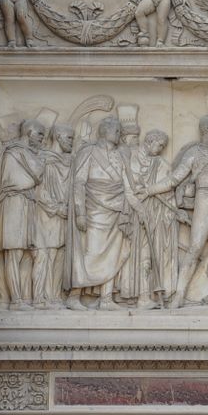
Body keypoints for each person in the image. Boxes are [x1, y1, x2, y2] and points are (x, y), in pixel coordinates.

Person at [139, 114, 208, 309]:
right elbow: (174, 180)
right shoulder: (194, 153)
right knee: (195, 248)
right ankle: (180, 295)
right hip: (204, 200)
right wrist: (149, 190)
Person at [68, 116, 130, 311]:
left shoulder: (121, 155)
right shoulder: (89, 151)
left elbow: (128, 182)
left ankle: (106, 298)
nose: (119, 134)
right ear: (105, 131)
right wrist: (80, 212)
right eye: (117, 130)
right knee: (91, 252)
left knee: (115, 252)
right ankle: (74, 295)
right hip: (94, 207)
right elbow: (79, 182)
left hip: (117, 207)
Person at [121, 129, 182, 308]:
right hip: (136, 214)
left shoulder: (161, 164)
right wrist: (140, 209)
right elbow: (128, 188)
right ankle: (141, 296)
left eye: (164, 146)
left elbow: (169, 186)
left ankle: (146, 296)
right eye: (160, 145)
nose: (161, 149)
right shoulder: (129, 159)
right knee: (139, 254)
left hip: (156, 216)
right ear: (149, 141)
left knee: (149, 255)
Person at [0, 119, 48, 310]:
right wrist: (35, 173)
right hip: (13, 206)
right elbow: (17, 180)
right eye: (40, 134)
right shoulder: (12, 153)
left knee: (41, 253)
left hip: (29, 206)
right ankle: (15, 300)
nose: (43, 139)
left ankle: (38, 298)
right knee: (14, 253)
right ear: (29, 132)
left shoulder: (30, 154)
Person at [31, 123, 72, 310]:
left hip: (63, 216)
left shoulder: (69, 162)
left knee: (58, 255)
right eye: (69, 138)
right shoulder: (44, 160)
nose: (72, 142)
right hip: (46, 215)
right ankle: (39, 297)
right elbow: (39, 191)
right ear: (58, 137)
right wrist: (56, 208)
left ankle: (54, 296)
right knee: (43, 255)